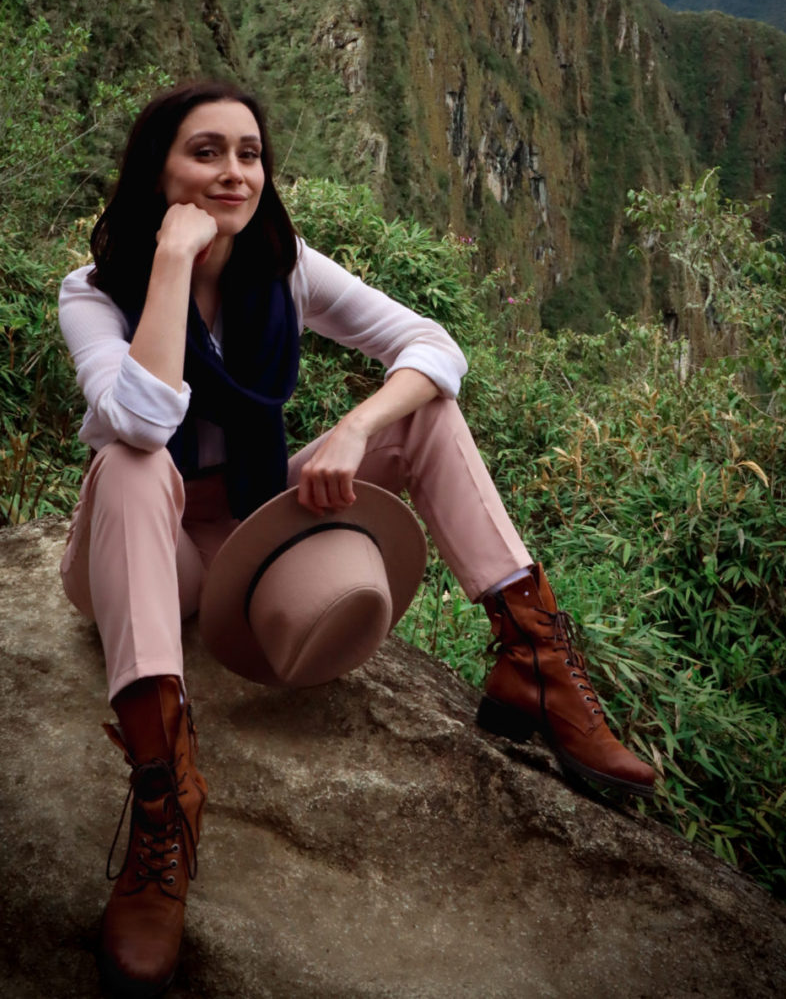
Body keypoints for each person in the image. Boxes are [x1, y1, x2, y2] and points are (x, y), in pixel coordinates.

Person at [59, 77, 654, 997]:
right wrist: (173, 263)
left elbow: (435, 347)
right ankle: (161, 805)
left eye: (249, 154)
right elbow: (138, 421)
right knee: (134, 463)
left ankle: (531, 656)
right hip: (156, 537)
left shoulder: (286, 269)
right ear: (158, 171)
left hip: (258, 520)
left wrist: (355, 428)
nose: (232, 173)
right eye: (204, 152)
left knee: (427, 413)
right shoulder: (95, 293)